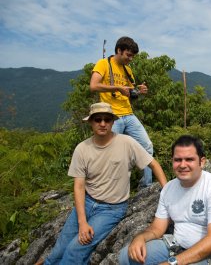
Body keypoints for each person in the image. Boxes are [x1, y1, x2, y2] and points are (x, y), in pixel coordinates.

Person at [36, 102, 167, 265]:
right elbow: (78, 186)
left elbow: (153, 164)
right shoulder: (82, 149)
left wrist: (167, 191)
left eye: (107, 119)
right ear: (90, 122)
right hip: (87, 202)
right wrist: (82, 222)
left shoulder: (127, 143)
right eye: (98, 119)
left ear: (113, 122)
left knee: (75, 248)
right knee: (59, 250)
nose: (103, 123)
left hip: (112, 209)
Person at [119, 135, 211, 265]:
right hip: (177, 246)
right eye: (178, 160)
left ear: (201, 162)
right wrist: (140, 238)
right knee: (127, 256)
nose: (182, 165)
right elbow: (157, 228)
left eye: (189, 159)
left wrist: (172, 262)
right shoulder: (168, 188)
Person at [90, 36, 154, 188]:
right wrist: (116, 88)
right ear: (119, 50)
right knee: (111, 154)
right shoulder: (103, 64)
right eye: (128, 55)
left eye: (132, 56)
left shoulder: (127, 70)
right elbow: (93, 86)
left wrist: (139, 90)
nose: (130, 59)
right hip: (112, 116)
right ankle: (107, 189)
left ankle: (146, 186)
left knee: (147, 146)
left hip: (129, 114)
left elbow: (130, 92)